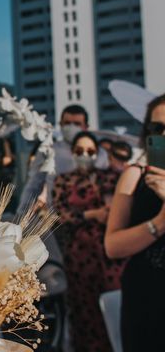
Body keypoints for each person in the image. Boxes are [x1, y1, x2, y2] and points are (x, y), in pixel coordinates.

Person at [53, 131, 125, 352]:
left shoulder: (109, 177)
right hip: (80, 255)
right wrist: (91, 214)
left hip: (110, 253)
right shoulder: (63, 180)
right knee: (85, 310)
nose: (85, 155)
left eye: (90, 151)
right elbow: (59, 213)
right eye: (80, 151)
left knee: (115, 306)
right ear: (72, 153)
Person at [105, 94, 165, 352]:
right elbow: (112, 246)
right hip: (146, 297)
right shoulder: (134, 175)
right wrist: (160, 222)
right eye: (158, 127)